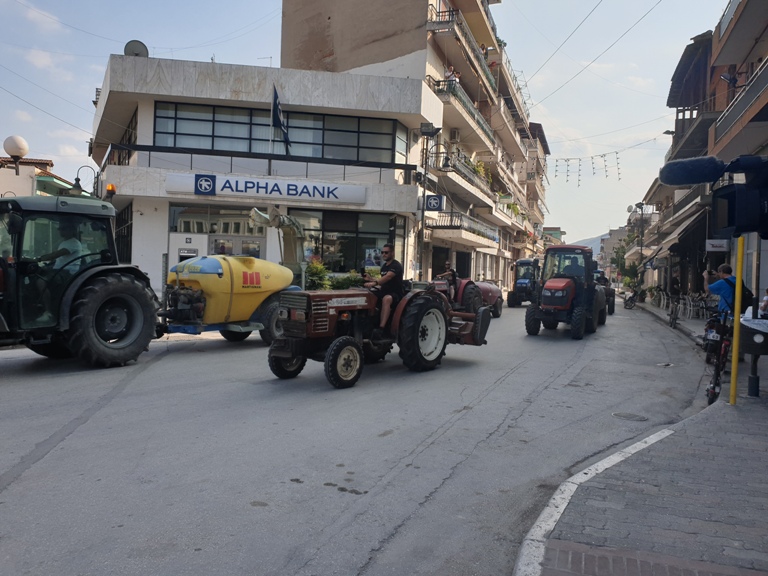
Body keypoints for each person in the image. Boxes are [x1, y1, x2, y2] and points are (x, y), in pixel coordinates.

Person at [363, 243, 404, 338]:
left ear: (392, 253)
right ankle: (370, 322)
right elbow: (381, 280)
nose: (383, 254)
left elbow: (388, 277)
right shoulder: (384, 266)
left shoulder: (396, 265)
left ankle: (381, 329)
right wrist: (370, 279)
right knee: (368, 295)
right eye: (382, 252)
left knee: (386, 299)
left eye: (386, 252)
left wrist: (374, 283)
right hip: (384, 291)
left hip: (395, 294)